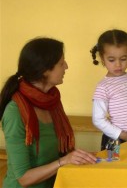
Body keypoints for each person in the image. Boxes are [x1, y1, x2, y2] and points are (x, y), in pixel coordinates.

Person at [0, 37, 97, 188]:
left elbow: (61, 153)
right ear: (44, 70)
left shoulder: (52, 100)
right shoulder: (14, 112)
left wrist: (78, 157)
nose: (66, 66)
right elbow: (23, 178)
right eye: (61, 63)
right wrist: (64, 161)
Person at [90, 29, 127, 151]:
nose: (118, 65)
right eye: (111, 60)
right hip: (117, 140)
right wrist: (123, 135)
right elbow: (98, 119)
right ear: (102, 58)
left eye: (123, 58)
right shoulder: (103, 86)